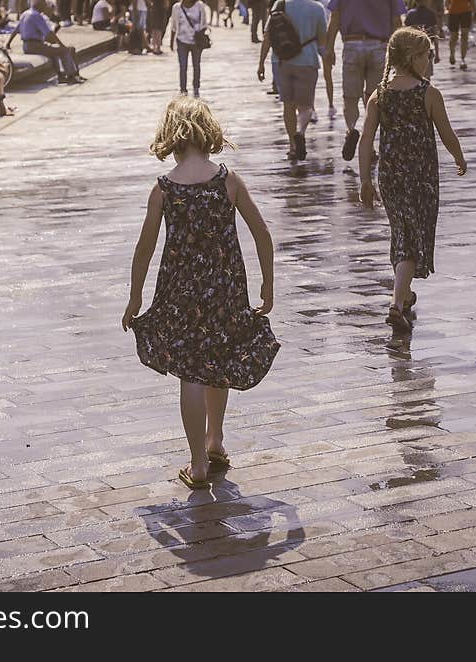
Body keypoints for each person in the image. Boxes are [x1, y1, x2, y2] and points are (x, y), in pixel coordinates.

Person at [122, 96, 279, 489]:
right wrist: (268, 285)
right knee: (218, 361)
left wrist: (135, 297)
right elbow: (262, 234)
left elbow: (145, 249)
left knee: (190, 372)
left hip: (180, 292)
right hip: (225, 288)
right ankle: (216, 440)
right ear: (208, 133)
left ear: (170, 138)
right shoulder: (228, 181)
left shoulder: (163, 190)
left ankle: (198, 463)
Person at [357, 27, 466, 333]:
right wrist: (459, 157)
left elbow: (366, 140)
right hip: (421, 178)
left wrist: (365, 179)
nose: (429, 62)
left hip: (390, 177)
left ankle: (404, 296)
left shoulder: (379, 96)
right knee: (411, 240)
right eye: (426, 56)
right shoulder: (428, 94)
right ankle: (395, 303)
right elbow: (446, 132)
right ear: (412, 57)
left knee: (402, 233)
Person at [325, 0, 404, 162]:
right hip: (379, 46)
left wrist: (329, 48)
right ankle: (371, 146)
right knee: (374, 98)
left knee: (350, 97)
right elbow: (397, 21)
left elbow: (335, 17)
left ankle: (352, 129)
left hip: (352, 44)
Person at [258, 0, 328, 161]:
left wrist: (261, 63)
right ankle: (300, 132)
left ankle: (292, 145)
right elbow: (322, 41)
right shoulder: (317, 9)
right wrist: (327, 57)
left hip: (281, 61)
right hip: (307, 61)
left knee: (288, 105)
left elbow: (268, 37)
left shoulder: (280, 5)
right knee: (306, 106)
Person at [5, 0, 85, 84]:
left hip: (26, 46)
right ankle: (71, 76)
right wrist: (61, 45)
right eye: (44, 4)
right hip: (35, 46)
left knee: (52, 52)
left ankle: (60, 76)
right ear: (40, 5)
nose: (45, 6)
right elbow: (49, 33)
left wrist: (8, 43)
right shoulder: (36, 15)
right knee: (63, 51)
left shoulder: (25, 14)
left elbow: (16, 30)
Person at [169, 0, 208, 96]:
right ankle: (183, 89)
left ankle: (196, 87)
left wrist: (202, 36)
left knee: (196, 65)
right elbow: (174, 25)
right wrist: (171, 42)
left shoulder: (200, 6)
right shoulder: (176, 7)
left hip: (196, 41)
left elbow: (204, 23)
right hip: (182, 40)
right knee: (183, 66)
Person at [405, 0, 436, 77]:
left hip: (413, 50)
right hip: (427, 50)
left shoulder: (410, 14)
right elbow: (434, 35)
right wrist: (437, 53)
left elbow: (405, 34)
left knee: (413, 77)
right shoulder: (431, 14)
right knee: (426, 79)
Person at [445, 0, 473, 69]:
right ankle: (452, 54)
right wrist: (447, 9)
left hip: (466, 12)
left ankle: (463, 59)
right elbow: (447, 2)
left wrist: (475, 11)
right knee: (454, 36)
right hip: (453, 12)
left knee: (464, 35)